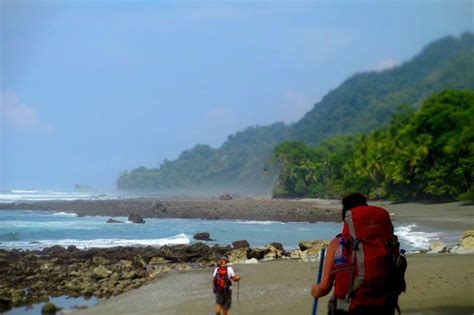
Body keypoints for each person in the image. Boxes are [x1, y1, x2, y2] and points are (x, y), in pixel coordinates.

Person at [311, 192, 407, 315]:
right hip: (384, 307)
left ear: (346, 217)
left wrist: (315, 291)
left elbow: (324, 288)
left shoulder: (338, 244)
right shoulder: (388, 243)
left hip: (350, 309)